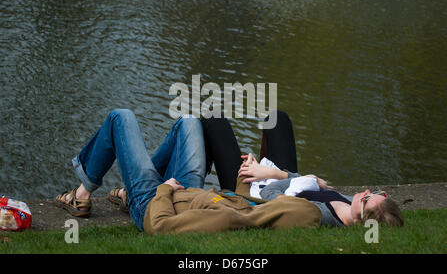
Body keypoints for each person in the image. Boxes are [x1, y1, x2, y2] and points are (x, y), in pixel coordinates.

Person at [54, 109, 322, 234]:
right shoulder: (254, 207)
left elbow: (158, 227)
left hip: (152, 202)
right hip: (187, 189)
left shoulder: (231, 220)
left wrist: (165, 189)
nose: (288, 198)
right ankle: (126, 193)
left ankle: (82, 194)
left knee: (120, 117)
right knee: (189, 121)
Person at [200, 110, 404, 227]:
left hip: (253, 190)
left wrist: (263, 171)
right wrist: (282, 174)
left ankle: (193, 184)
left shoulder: (320, 215)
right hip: (281, 180)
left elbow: (270, 195)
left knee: (213, 119)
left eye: (368, 198)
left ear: (361, 221)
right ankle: (260, 163)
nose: (367, 192)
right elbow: (310, 182)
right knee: (277, 119)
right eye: (378, 193)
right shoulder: (350, 204)